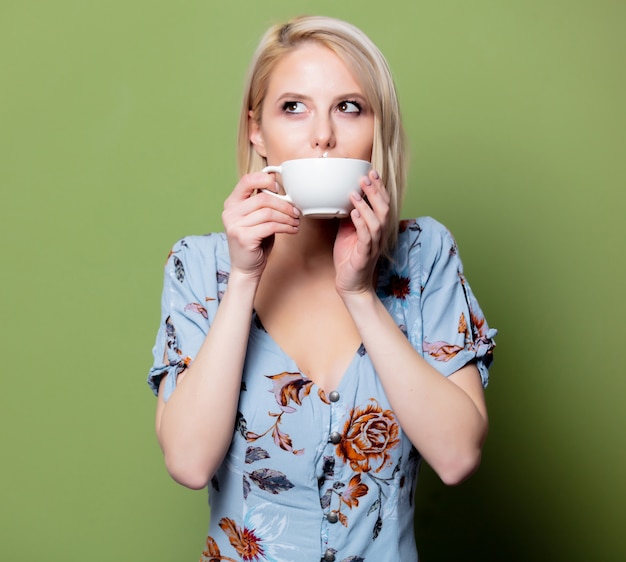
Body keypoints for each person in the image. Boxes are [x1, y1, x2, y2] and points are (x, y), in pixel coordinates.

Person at [148, 15, 496, 562]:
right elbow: (188, 463)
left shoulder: (425, 256)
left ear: (375, 129)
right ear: (256, 131)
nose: (323, 135)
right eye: (294, 106)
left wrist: (359, 292)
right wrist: (243, 280)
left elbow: (456, 456)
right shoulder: (200, 267)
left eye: (349, 107)